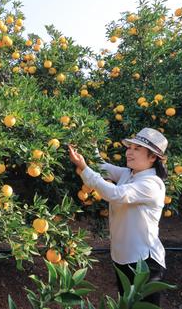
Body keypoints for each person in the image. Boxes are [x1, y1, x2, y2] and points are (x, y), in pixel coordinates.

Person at [67, 127, 168, 306]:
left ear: (153, 157)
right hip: (123, 257)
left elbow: (114, 193)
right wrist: (91, 145)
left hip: (144, 262)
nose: (129, 152)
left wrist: (83, 167)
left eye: (137, 149)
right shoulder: (128, 174)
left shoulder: (151, 184)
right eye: (129, 147)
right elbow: (102, 167)